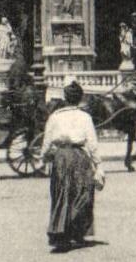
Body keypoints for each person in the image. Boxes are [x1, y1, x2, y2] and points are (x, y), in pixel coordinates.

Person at [40, 80, 101, 252]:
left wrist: (43, 157)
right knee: (83, 192)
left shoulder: (55, 116)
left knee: (61, 193)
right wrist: (98, 163)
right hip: (79, 156)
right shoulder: (85, 117)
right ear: (80, 98)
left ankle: (60, 232)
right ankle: (76, 230)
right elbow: (92, 142)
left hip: (60, 157)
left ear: (65, 98)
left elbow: (47, 140)